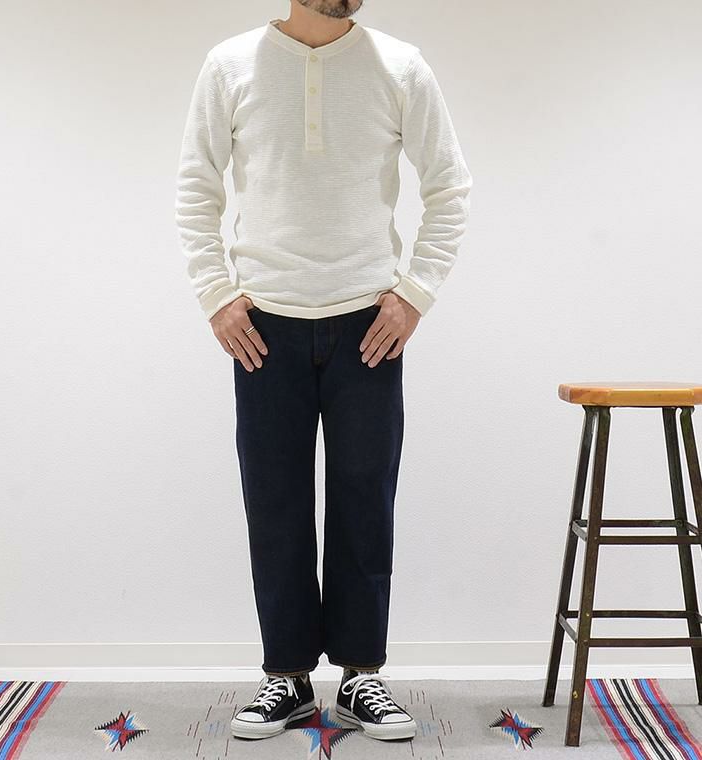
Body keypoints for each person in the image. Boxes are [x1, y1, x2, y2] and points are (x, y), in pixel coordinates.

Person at [174, 0, 472, 743]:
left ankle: (362, 676)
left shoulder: (401, 66)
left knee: (365, 501)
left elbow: (449, 187)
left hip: (369, 323)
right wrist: (216, 296)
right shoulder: (230, 65)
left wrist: (415, 294)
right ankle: (288, 677)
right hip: (263, 325)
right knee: (274, 502)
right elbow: (196, 188)